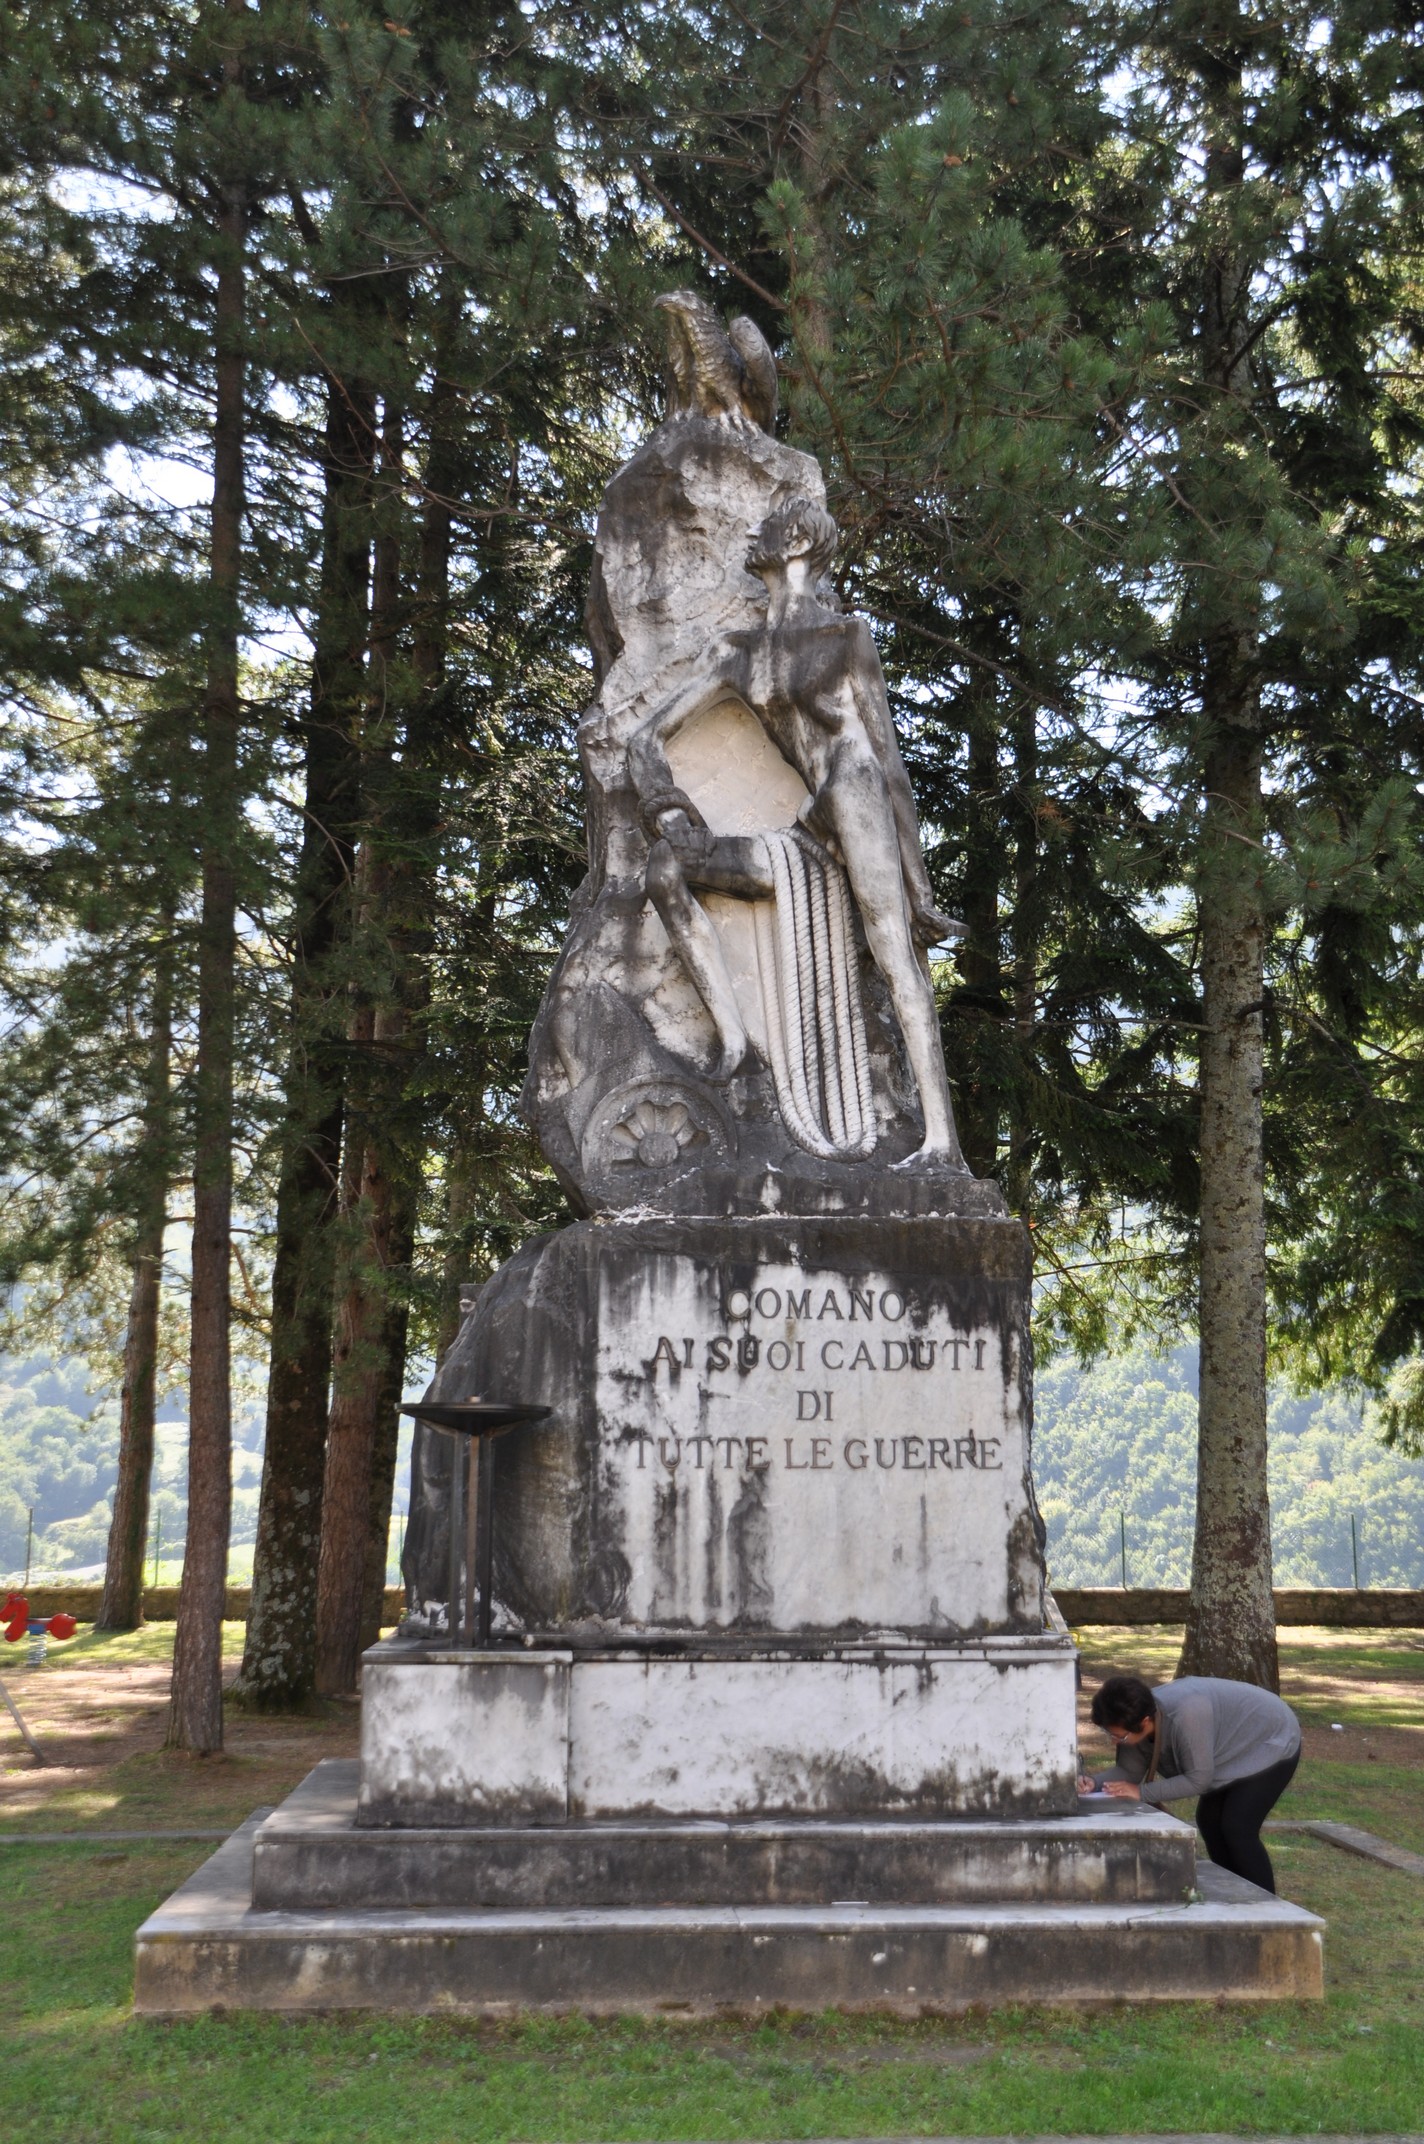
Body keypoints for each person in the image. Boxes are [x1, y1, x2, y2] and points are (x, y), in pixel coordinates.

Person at [627, 493, 966, 1167]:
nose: (755, 532)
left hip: (858, 791)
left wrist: (916, 884)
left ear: (802, 542)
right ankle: (732, 1047)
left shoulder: (846, 639)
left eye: (772, 527)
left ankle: (942, 1144)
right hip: (807, 832)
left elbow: (888, 761)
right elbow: (646, 738)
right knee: (666, 869)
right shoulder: (741, 654)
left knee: (896, 953)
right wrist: (666, 806)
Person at [1082, 1672, 1302, 1894]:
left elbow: (1199, 1779)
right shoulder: (1134, 1718)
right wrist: (1094, 1782)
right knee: (1209, 1821)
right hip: (1228, 1750)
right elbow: (1127, 1771)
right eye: (1109, 1734)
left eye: (1120, 1737)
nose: (1114, 1741)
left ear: (1144, 1722)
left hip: (1269, 1737)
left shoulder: (1186, 1715)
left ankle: (1265, 1906)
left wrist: (1141, 1792)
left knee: (1237, 1827)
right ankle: (1233, 1893)